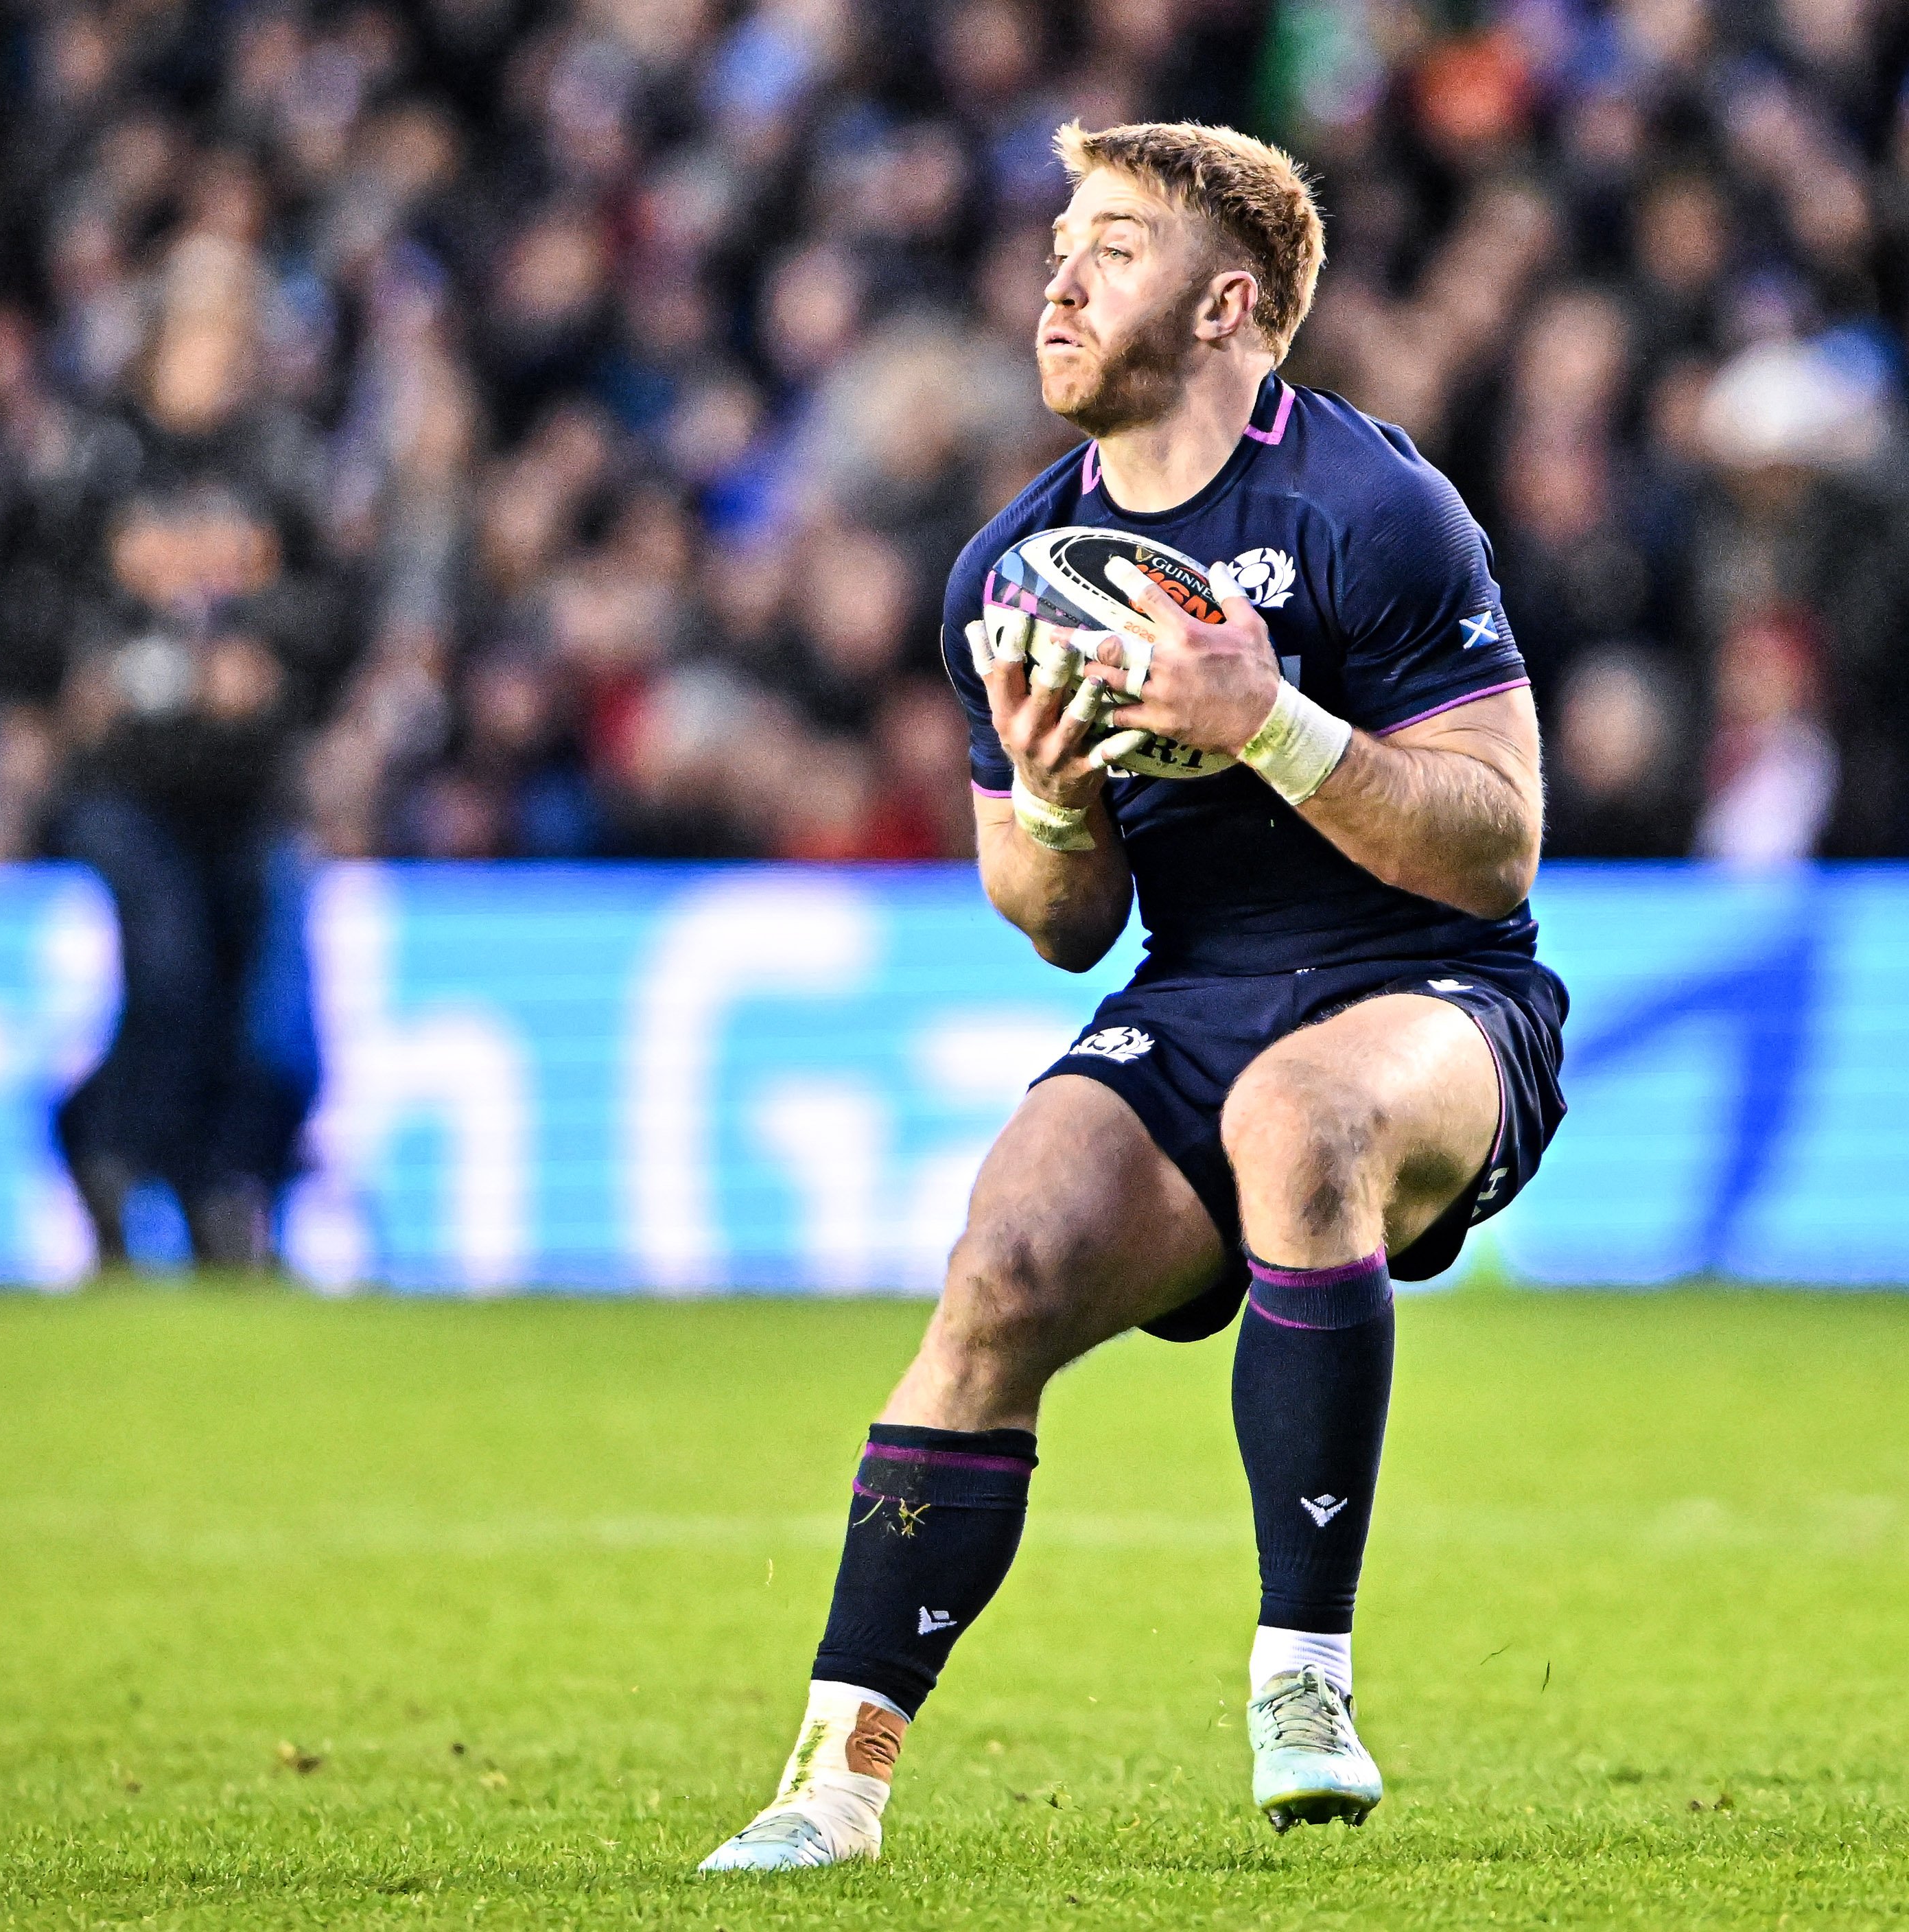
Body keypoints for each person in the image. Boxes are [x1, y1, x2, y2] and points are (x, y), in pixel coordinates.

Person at [701, 121, 1568, 1872]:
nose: (1059, 277)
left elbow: (1496, 848)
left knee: (1301, 1115)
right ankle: (832, 1781)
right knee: (1002, 1260)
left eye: (1111, 246)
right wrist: (1047, 798)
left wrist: (1274, 722)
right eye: (1057, 244)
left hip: (1437, 993)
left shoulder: (1374, 508)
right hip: (1199, 985)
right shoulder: (1008, 575)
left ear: (1229, 301)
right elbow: (1056, 922)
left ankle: (1301, 1680)